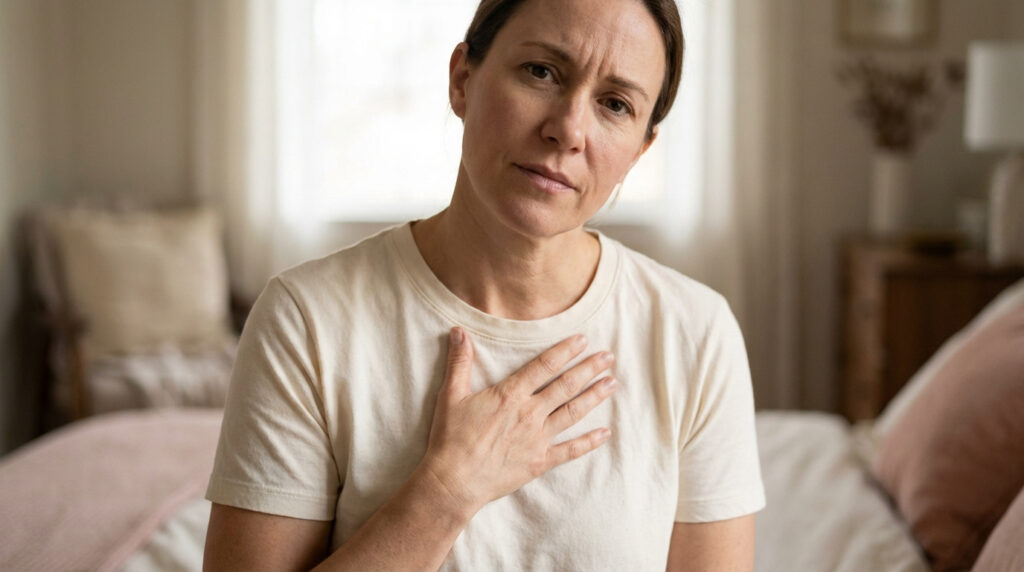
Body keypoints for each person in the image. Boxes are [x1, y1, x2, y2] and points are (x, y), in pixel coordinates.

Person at [203, 0, 765, 569]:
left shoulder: (696, 332)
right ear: (462, 80)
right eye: (542, 71)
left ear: (640, 151)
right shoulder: (306, 320)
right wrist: (446, 492)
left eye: (615, 105)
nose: (568, 129)